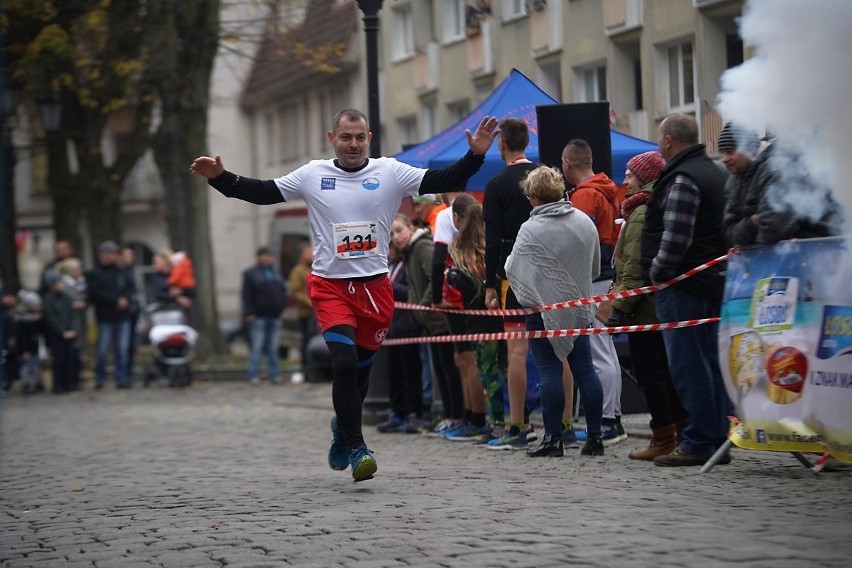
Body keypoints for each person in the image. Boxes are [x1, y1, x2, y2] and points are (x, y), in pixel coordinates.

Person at [191, 109, 498, 482]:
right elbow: (264, 192)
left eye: (359, 137)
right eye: (345, 137)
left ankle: (343, 426)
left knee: (360, 374)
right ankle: (357, 447)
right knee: (344, 364)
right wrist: (221, 178)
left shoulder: (390, 171)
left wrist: (476, 155)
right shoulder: (313, 174)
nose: (353, 144)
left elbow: (446, 177)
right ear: (331, 138)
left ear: (369, 138)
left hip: (375, 288)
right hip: (330, 286)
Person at [640, 113, 733, 467]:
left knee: (688, 365)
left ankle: (698, 441)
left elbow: (676, 236)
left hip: (684, 286)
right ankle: (717, 438)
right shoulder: (714, 171)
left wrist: (658, 273)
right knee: (710, 361)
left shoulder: (682, 177)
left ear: (668, 141)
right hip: (712, 282)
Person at [505, 166, 605, 457]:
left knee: (549, 371)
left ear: (534, 196)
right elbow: (596, 267)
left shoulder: (530, 229)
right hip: (578, 309)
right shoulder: (584, 223)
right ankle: (595, 438)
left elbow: (513, 269)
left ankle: (553, 439)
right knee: (585, 371)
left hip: (541, 310)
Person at [603, 151, 688, 460]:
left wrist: (619, 310)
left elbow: (634, 268)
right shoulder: (647, 206)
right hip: (653, 306)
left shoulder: (640, 212)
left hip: (645, 310)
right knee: (664, 372)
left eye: (630, 173)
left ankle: (664, 437)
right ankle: (680, 433)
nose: (625, 178)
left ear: (646, 176)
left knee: (652, 374)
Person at [482, 117, 545, 450]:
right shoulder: (546, 177)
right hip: (550, 272)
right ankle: (562, 423)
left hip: (513, 272)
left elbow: (491, 240)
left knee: (516, 350)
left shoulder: (495, 185)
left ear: (501, 145)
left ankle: (519, 425)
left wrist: (490, 283)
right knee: (559, 348)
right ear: (527, 142)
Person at [561, 139, 625, 445]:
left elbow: (578, 243)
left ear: (567, 163)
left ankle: (608, 423)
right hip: (606, 276)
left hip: (593, 279)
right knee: (606, 351)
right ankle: (613, 418)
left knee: (598, 353)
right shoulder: (607, 190)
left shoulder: (585, 196)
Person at [391, 214, 466, 438]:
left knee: (450, 369)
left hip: (440, 319)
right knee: (441, 370)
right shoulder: (409, 253)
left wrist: (423, 306)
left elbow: (435, 278)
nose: (395, 237)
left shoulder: (422, 247)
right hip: (429, 322)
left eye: (399, 231)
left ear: (411, 228)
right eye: (392, 234)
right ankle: (449, 415)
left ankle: (457, 416)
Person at [446, 194, 508, 442]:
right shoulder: (491, 245)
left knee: (488, 373)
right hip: (500, 315)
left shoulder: (463, 254)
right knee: (507, 368)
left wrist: (453, 278)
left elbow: (470, 287)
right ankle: (519, 421)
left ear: (458, 218)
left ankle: (498, 424)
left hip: (478, 321)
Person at [430, 191, 490, 442]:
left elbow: (441, 265)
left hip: (463, 306)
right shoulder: (472, 240)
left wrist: (438, 295)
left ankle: (476, 418)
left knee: (469, 360)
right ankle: (468, 416)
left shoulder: (464, 241)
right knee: (463, 359)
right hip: (462, 305)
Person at [375, 242, 425, 434]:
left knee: (410, 372)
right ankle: (396, 412)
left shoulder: (407, 267)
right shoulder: (388, 266)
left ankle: (414, 412)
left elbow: (410, 293)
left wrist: (390, 286)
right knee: (393, 373)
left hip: (407, 326)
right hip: (390, 327)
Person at [87, 240, 136, 389]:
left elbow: (130, 288)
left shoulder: (122, 272)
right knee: (102, 350)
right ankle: (100, 378)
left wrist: (125, 300)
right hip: (105, 316)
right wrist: (115, 300)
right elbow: (96, 293)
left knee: (122, 349)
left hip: (123, 316)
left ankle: (122, 378)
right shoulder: (95, 273)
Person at [241, 246, 288, 385]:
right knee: (257, 346)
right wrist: (248, 312)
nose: (267, 258)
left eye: (269, 255)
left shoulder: (276, 273)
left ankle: (274, 374)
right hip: (258, 316)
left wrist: (281, 308)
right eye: (264, 255)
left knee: (273, 348)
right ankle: (253, 374)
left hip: (275, 315)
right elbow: (246, 295)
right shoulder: (251, 274)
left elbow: (282, 292)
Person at [42, 272, 80, 394]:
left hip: (69, 333)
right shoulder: (48, 299)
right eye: (57, 283)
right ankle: (58, 384)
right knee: (59, 360)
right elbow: (51, 318)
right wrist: (62, 331)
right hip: (57, 334)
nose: (60, 285)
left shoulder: (67, 297)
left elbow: (73, 315)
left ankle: (70, 382)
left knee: (70, 358)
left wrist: (72, 329)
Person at [288, 242, 318, 380]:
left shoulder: (314, 269)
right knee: (306, 340)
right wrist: (310, 302)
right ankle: (307, 370)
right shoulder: (298, 271)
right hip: (306, 313)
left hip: (317, 312)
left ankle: (314, 368)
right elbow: (296, 291)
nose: (311, 255)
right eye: (308, 252)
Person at [14, 290, 45, 394]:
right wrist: (25, 350)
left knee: (35, 365)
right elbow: (21, 338)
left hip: (34, 345)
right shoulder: (21, 322)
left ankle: (37, 382)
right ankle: (25, 383)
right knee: (26, 366)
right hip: (25, 347)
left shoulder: (37, 319)